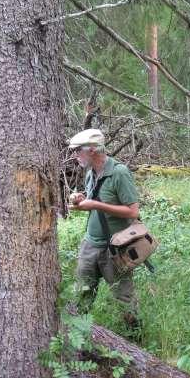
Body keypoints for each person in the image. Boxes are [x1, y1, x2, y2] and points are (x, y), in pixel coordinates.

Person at [68, 128, 140, 327]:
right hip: (89, 246)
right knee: (81, 296)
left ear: (91, 149)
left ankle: (135, 341)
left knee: (124, 301)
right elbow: (95, 204)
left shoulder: (119, 173)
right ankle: (77, 342)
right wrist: (82, 200)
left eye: (77, 150)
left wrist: (96, 205)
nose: (75, 155)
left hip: (115, 247)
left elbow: (133, 212)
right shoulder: (91, 173)